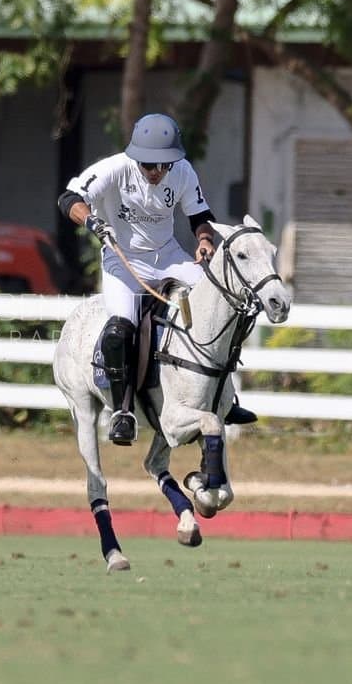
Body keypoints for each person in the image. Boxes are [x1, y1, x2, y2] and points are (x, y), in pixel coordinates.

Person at [58, 112, 256, 445]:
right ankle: (123, 412)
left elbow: (200, 215)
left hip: (168, 256)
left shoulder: (182, 171)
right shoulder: (114, 168)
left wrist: (205, 241)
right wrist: (92, 222)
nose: (157, 172)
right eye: (150, 165)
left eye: (163, 165)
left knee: (221, 306)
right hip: (123, 259)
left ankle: (225, 397)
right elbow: (70, 199)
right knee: (120, 327)